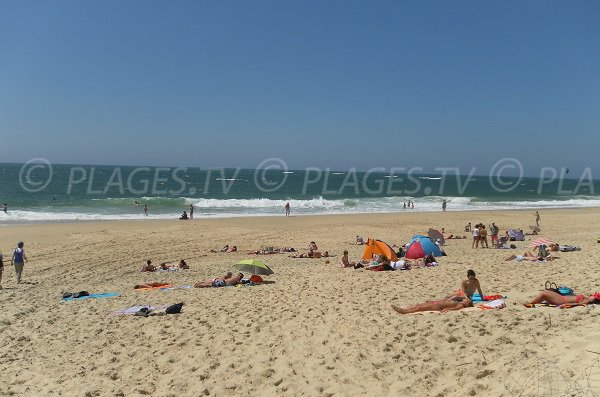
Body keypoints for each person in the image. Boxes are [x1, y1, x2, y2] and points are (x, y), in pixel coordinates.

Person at [391, 298, 472, 314]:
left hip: (438, 307)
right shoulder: (458, 301)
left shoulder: (461, 305)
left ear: (467, 304)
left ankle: (404, 311)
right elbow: (444, 300)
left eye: (467, 301)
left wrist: (447, 309)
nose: (465, 300)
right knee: (418, 305)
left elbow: (455, 309)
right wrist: (433, 301)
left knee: (419, 308)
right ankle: (404, 308)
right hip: (436, 303)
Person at [524, 290, 600, 308]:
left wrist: (566, 305)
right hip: (561, 297)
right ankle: (532, 302)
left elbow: (577, 304)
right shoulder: (586, 298)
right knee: (546, 291)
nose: (593, 295)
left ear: (593, 299)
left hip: (561, 300)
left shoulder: (587, 300)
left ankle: (529, 303)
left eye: (594, 295)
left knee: (543, 294)